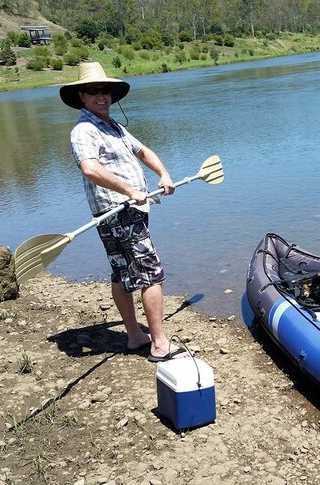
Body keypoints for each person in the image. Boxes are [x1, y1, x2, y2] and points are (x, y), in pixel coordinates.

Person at [60, 62, 189, 362]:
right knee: (150, 275)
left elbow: (142, 152)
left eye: (105, 90)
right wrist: (130, 191)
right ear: (81, 96)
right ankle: (158, 343)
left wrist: (163, 174)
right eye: (93, 91)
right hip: (119, 212)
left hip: (124, 212)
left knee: (122, 274)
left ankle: (134, 336)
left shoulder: (113, 126)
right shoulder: (83, 130)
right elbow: (90, 169)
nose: (101, 96)